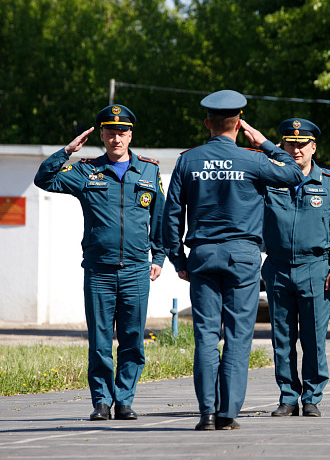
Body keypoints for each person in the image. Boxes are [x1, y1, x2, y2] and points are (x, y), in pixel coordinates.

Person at [162, 90, 304, 431]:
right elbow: (294, 173)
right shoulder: (254, 159)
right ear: (239, 125)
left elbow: (170, 216)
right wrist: (267, 142)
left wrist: (177, 258)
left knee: (206, 336)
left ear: (207, 123)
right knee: (238, 335)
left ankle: (207, 413)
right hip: (242, 256)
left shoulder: (188, 160)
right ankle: (228, 414)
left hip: (203, 254)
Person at [34, 104, 165, 421]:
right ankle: (102, 402)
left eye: (122, 132)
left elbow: (159, 218)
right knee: (100, 341)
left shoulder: (148, 171)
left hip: (136, 269)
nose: (116, 138)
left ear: (130, 134)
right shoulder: (85, 171)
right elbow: (44, 179)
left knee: (133, 341)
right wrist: (67, 151)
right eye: (110, 132)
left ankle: (125, 401)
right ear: (102, 135)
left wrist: (158, 257)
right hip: (99, 271)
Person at [262, 118, 330, 417]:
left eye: (302, 145)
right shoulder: (269, 178)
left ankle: (312, 396)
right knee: (282, 337)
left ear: (314, 147)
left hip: (315, 268)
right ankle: (288, 396)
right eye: (290, 144)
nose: (296, 150)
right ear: (281, 147)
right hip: (278, 267)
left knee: (313, 338)